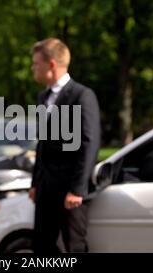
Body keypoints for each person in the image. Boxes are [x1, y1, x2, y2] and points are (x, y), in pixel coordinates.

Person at [29, 38, 101, 253]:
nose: (33, 68)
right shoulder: (43, 97)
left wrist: (77, 189)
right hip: (45, 190)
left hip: (70, 191)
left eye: (36, 63)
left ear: (51, 64)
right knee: (42, 246)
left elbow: (89, 143)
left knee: (73, 247)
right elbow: (42, 144)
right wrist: (35, 182)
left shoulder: (82, 95)